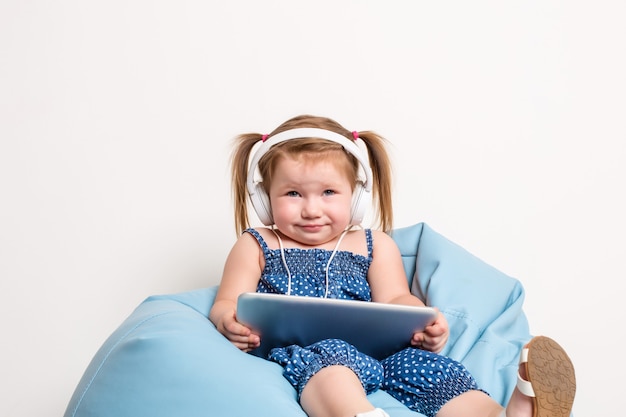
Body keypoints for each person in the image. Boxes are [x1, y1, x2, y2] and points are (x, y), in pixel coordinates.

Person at [209, 114, 576, 417]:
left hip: (381, 352)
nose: (311, 209)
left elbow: (397, 297)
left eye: (328, 193)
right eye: (292, 193)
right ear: (263, 198)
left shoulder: (373, 244)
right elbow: (226, 302)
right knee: (331, 366)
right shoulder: (257, 243)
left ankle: (501, 414)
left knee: (436, 374)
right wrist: (230, 322)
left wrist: (423, 321)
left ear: (356, 198)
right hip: (306, 350)